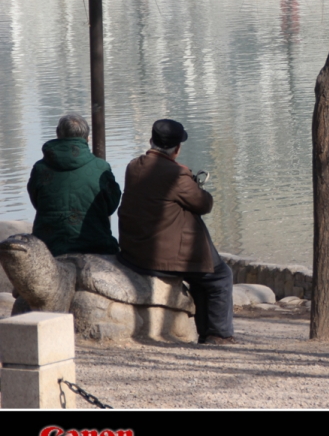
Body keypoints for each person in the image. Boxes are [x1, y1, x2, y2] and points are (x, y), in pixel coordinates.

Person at [117, 119, 234, 345]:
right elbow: (204, 204)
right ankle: (218, 335)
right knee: (221, 276)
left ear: (151, 140)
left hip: (134, 251)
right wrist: (191, 180)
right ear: (177, 148)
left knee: (203, 275)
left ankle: (207, 333)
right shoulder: (177, 175)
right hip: (161, 259)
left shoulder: (134, 166)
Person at [27, 113, 121, 256]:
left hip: (49, 247)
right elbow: (111, 205)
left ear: (58, 134)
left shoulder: (40, 168)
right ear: (87, 138)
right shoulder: (101, 168)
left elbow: (37, 202)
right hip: (96, 244)